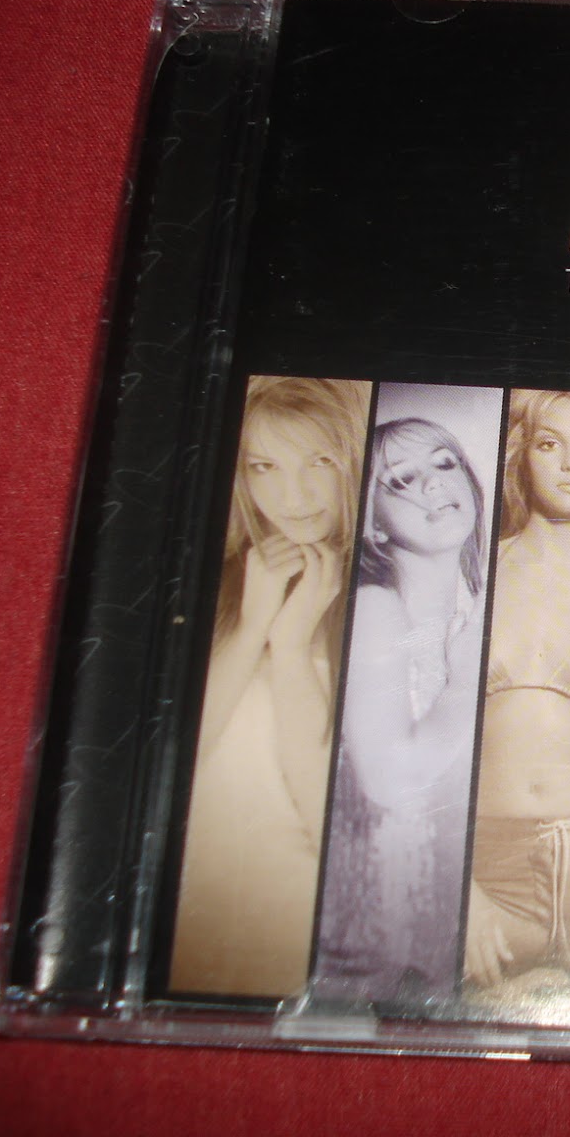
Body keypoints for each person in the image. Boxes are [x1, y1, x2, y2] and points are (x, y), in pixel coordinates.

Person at [171, 375, 371, 998]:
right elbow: (164, 764)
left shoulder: (378, 592)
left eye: (319, 461)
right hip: (183, 910)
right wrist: (252, 624)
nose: (293, 495)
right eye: (265, 466)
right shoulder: (206, 579)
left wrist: (289, 644)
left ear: (353, 460)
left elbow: (334, 818)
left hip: (301, 919)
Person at [314, 416, 490, 1004]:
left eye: (444, 463)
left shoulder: (475, 609)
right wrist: (469, 677)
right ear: (373, 522)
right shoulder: (373, 606)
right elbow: (391, 779)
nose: (434, 483)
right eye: (401, 480)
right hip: (370, 939)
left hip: (446, 929)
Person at [465, 390, 570, 999]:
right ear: (523, 457)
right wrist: (456, 887)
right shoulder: (471, 573)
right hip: (490, 875)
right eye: (549, 443)